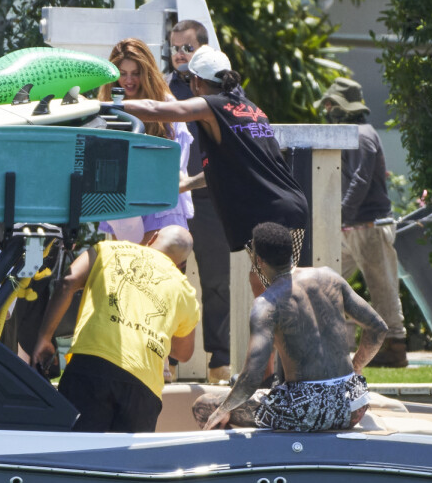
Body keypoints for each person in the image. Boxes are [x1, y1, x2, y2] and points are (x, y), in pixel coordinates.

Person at [120, 45, 309, 295]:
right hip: (285, 205)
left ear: (197, 82)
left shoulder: (213, 106)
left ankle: (291, 331)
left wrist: (106, 106)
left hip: (271, 211)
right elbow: (232, 167)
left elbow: (157, 111)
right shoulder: (251, 108)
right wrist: (187, 185)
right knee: (264, 284)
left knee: (274, 296)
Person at [197, 222, 387, 433]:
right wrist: (356, 366)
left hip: (306, 411)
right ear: (291, 253)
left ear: (258, 260)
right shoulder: (329, 277)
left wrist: (223, 409)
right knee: (271, 394)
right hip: (353, 405)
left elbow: (252, 375)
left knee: (204, 406)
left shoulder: (267, 303)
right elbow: (378, 327)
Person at [31, 226, 200, 433]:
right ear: (181, 264)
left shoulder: (108, 250)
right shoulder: (185, 290)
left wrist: (45, 337)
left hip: (92, 367)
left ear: (152, 238)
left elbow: (68, 281)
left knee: (74, 454)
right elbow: (184, 353)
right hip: (144, 384)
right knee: (127, 463)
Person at [321, 77, 408, 368]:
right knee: (327, 280)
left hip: (368, 224)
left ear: (344, 107)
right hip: (354, 225)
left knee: (381, 287)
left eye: (332, 104)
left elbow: (360, 179)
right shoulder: (354, 133)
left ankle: (395, 346)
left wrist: (339, 214)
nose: (328, 110)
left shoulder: (360, 134)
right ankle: (327, 336)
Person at [166, 20, 231, 382]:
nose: (179, 54)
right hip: (171, 200)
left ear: (202, 50)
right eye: (175, 47)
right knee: (170, 280)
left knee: (216, 282)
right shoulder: (163, 89)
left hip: (209, 199)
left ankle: (219, 361)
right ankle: (169, 363)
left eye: (187, 48)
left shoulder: (218, 90)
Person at [97, 38, 193, 245]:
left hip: (162, 203)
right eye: (122, 74)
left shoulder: (166, 105)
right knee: (126, 270)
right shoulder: (107, 105)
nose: (128, 80)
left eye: (136, 73)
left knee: (156, 272)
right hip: (122, 205)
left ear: (147, 72)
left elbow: (178, 163)